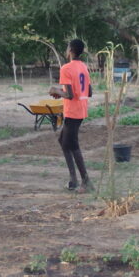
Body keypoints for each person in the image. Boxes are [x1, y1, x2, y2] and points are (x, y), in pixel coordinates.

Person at [49, 38, 91, 192]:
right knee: (63, 140)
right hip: (81, 108)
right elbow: (89, 91)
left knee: (72, 145)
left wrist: (55, 91)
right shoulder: (84, 67)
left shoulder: (66, 68)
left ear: (71, 50)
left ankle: (86, 182)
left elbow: (70, 95)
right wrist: (61, 93)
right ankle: (73, 180)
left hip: (73, 111)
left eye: (67, 47)